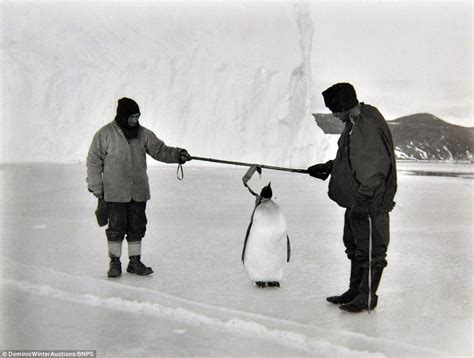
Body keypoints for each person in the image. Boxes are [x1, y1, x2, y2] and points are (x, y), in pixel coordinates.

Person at [308, 83, 397, 312]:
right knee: (356, 246)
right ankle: (355, 290)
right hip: (357, 200)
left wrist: (363, 201)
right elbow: (351, 159)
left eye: (335, 110)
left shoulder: (365, 126)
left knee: (371, 251)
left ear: (345, 106)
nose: (334, 115)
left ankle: (366, 297)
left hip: (369, 202)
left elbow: (374, 169)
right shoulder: (354, 123)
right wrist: (330, 167)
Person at [86, 97, 191, 278]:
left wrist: (178, 154)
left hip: (138, 193)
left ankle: (134, 262)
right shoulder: (104, 135)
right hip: (114, 194)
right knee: (115, 230)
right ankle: (115, 263)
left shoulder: (144, 134)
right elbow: (94, 162)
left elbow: (160, 150)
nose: (135, 120)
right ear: (122, 116)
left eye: (137, 116)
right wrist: (97, 189)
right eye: (132, 117)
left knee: (137, 227)